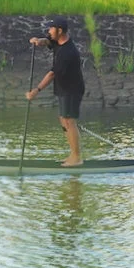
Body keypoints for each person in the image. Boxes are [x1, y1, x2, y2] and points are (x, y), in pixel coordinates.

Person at [26, 18, 85, 167]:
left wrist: (36, 90)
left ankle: (77, 158)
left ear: (60, 31)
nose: (49, 32)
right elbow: (48, 41)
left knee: (69, 121)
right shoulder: (58, 41)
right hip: (63, 88)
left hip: (72, 90)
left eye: (51, 29)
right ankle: (73, 154)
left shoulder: (67, 52)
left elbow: (52, 74)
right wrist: (39, 41)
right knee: (63, 120)